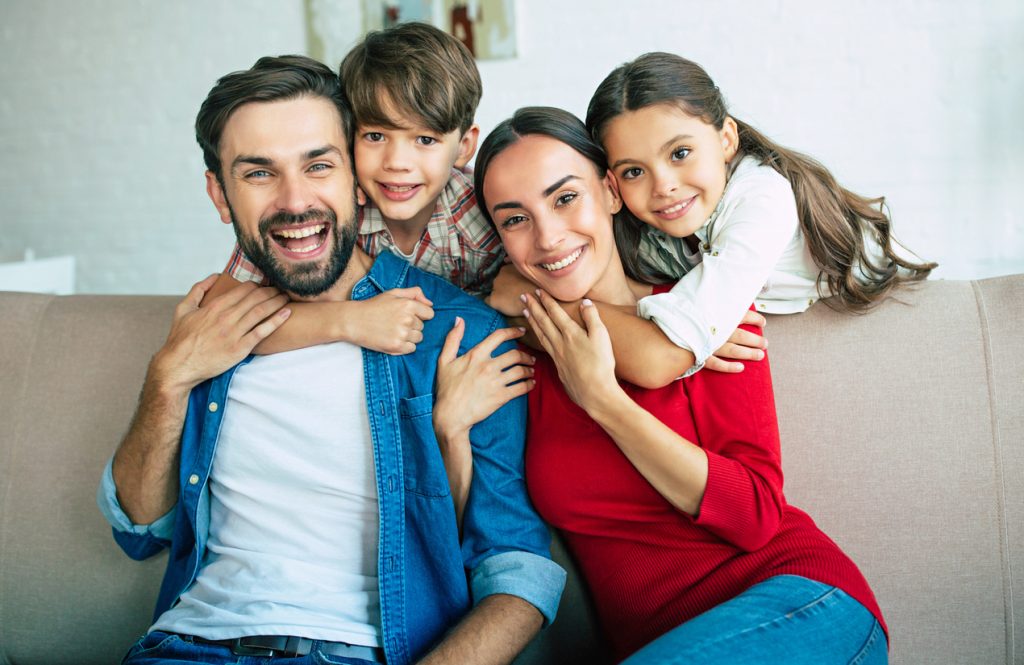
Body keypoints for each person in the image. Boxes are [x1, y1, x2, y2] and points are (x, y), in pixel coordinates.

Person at [96, 56, 564, 665]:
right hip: (185, 648)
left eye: (318, 165)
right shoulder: (214, 329)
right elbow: (138, 531)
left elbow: (519, 571)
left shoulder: (461, 333)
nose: (296, 202)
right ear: (219, 193)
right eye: (259, 173)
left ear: (353, 176)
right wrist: (167, 378)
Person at [461, 106, 888, 664]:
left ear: (611, 192)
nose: (548, 236)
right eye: (515, 219)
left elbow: (755, 514)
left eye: (566, 198)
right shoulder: (518, 352)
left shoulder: (703, 318)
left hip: (802, 606)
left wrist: (606, 401)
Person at [583, 51, 936, 376]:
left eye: (679, 153)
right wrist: (699, 324)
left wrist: (694, 330)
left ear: (726, 140)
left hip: (896, 313)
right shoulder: (649, 218)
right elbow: (617, 291)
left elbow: (663, 353)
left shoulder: (762, 200)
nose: (663, 186)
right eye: (634, 171)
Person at [212, 21, 503, 359]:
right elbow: (221, 318)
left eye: (425, 140)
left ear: (464, 147)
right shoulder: (324, 212)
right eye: (375, 136)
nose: (397, 162)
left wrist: (515, 290)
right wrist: (346, 320)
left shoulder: (481, 212)